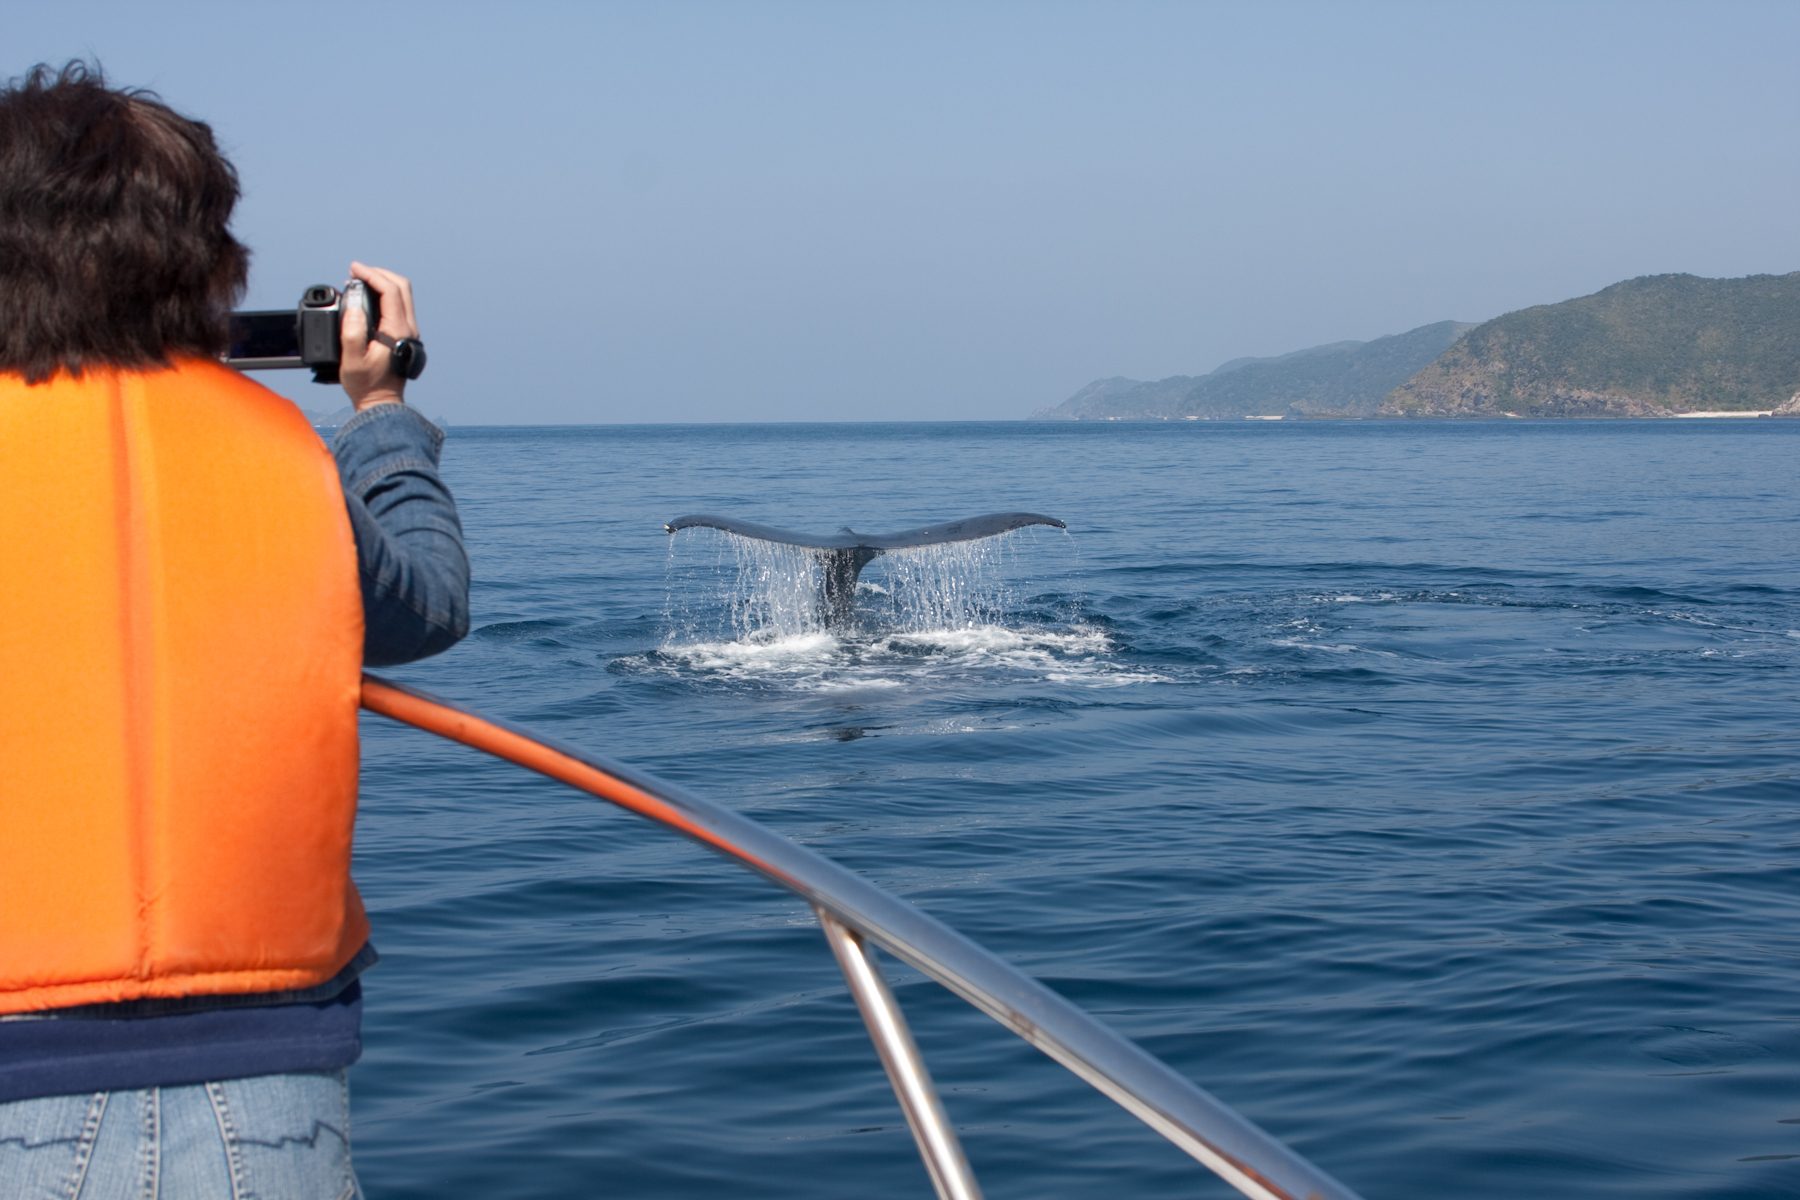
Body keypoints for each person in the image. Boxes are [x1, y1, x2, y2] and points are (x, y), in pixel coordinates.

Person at [0, 61, 470, 1198]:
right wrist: (382, 412)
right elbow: (429, 606)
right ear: (209, 266)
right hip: (270, 1087)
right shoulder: (289, 463)